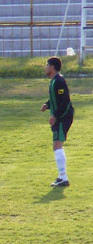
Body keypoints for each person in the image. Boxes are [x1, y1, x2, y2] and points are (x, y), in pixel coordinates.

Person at [41, 56, 73, 187]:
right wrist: (47, 104)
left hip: (63, 117)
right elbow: (56, 98)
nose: (45, 67)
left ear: (52, 67)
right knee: (57, 146)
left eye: (47, 65)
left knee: (57, 146)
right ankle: (61, 177)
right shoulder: (54, 81)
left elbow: (64, 101)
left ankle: (64, 178)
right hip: (60, 117)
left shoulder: (59, 81)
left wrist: (55, 116)